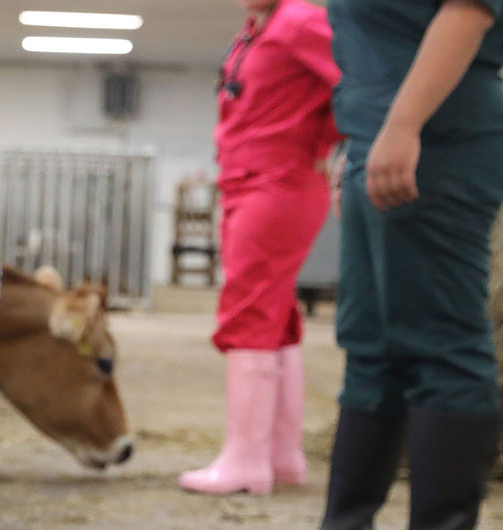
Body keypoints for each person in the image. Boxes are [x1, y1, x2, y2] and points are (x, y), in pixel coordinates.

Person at [323, 0, 503, 527]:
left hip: (437, 138)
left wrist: (402, 125)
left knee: (443, 348)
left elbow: (468, 9)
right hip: (376, 139)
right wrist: (358, 142)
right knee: (370, 346)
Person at [180, 0, 340, 496]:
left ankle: (246, 461)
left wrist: (321, 142)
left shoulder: (300, 21)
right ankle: (280, 455)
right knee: (273, 312)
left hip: (278, 179)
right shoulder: (258, 27)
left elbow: (357, 81)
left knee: (248, 309)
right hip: (249, 179)